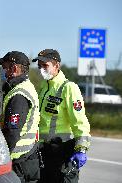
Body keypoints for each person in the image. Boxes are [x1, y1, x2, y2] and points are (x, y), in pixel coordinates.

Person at [32, 49, 91, 183]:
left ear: (56, 66)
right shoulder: (43, 87)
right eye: (39, 66)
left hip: (63, 152)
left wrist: (81, 149)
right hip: (44, 151)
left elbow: (80, 121)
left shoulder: (69, 88)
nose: (41, 69)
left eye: (45, 66)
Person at [0, 51, 41, 183]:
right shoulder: (24, 87)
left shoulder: (19, 95)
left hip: (19, 162)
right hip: (26, 158)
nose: (2, 71)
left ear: (14, 68)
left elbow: (12, 133)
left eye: (4, 67)